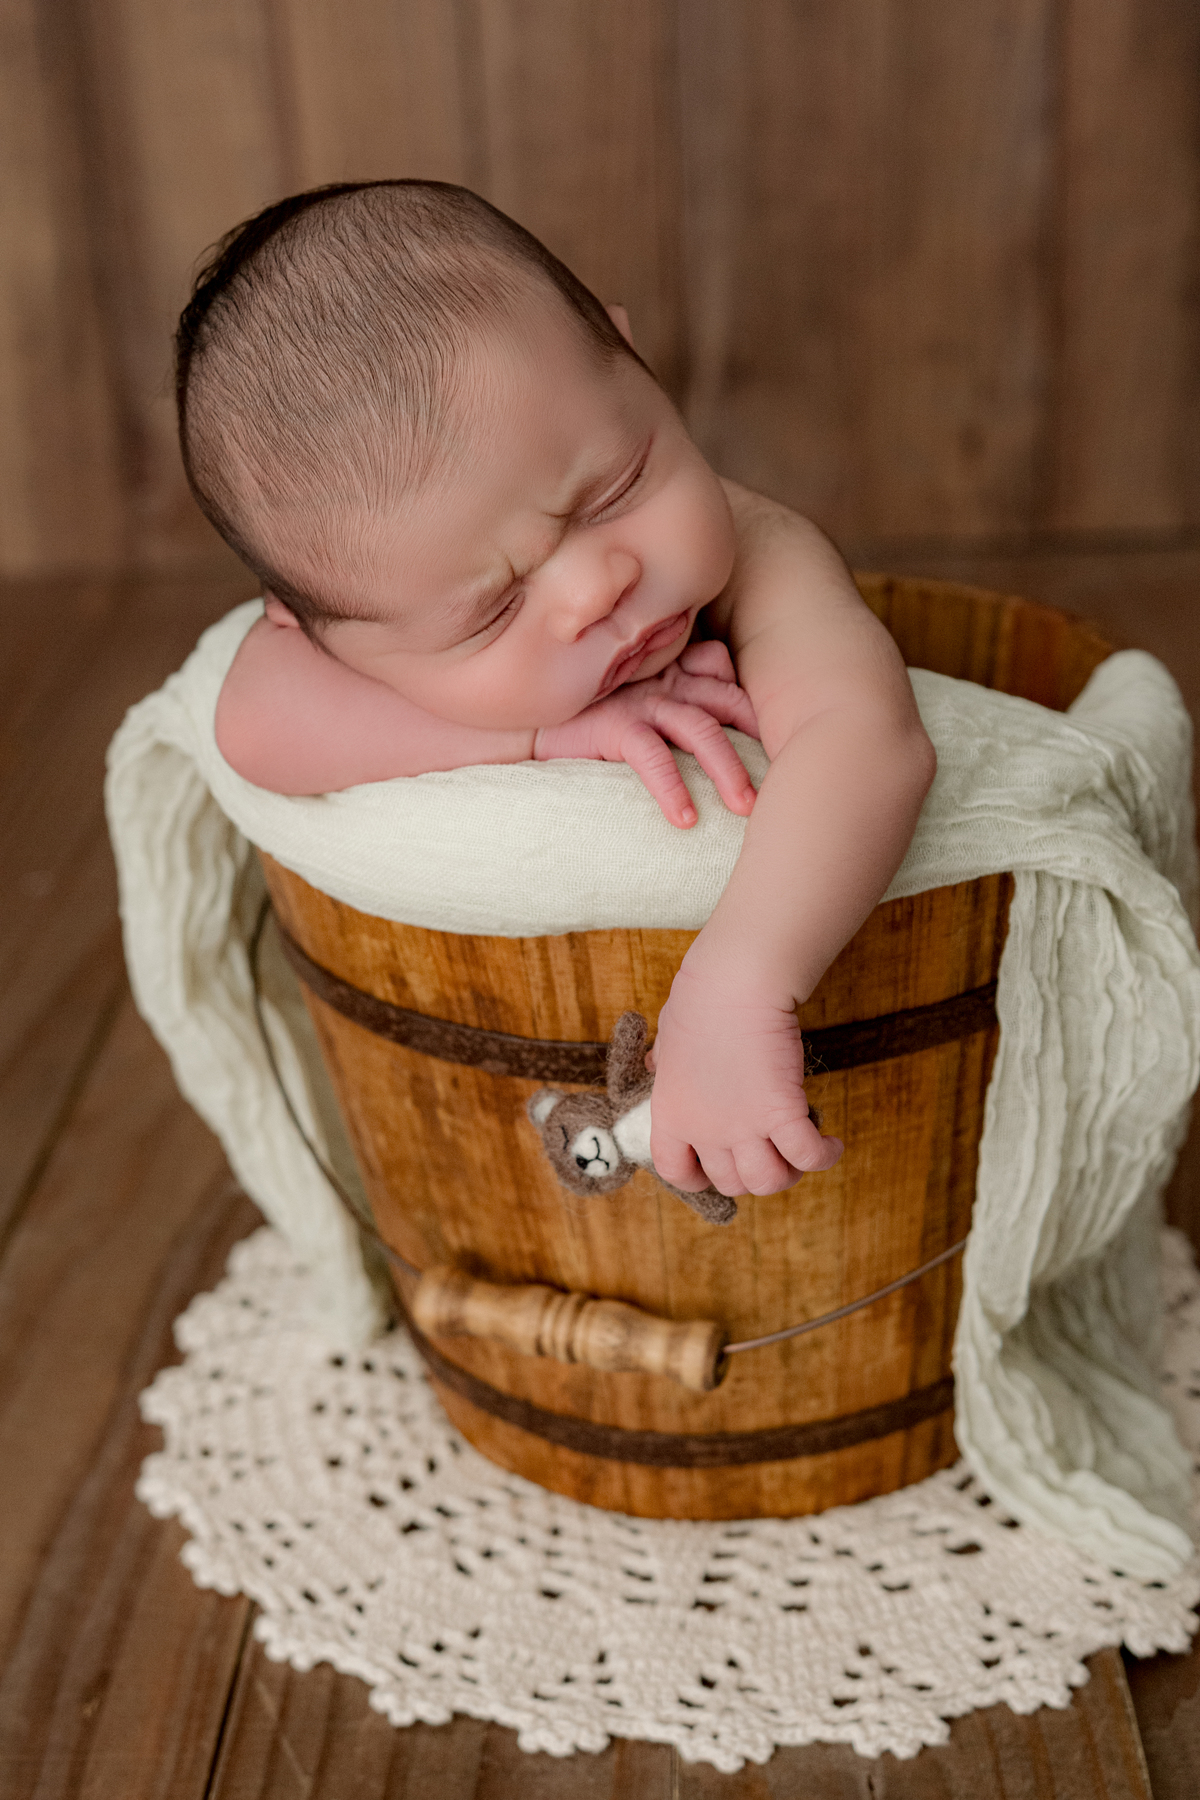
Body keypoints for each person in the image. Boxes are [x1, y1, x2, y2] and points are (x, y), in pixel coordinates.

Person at [179, 180, 936, 1204]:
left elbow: (864, 736)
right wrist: (544, 729)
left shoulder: (762, 555)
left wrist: (741, 981)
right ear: (301, 625)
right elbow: (253, 725)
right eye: (491, 612)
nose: (597, 587)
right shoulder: (331, 640)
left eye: (616, 487)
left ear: (632, 360)